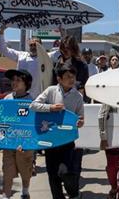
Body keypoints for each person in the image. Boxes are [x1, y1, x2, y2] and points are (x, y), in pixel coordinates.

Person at [30, 63, 85, 199]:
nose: (71, 79)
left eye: (73, 77)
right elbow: (33, 105)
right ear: (59, 79)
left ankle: (74, 194)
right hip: (51, 141)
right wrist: (50, 107)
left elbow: (81, 118)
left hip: (67, 141)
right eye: (68, 77)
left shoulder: (78, 96)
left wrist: (80, 122)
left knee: (67, 172)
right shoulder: (50, 91)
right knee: (53, 175)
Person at [0, 24, 57, 99]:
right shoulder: (21, 56)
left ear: (41, 46)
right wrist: (1, 32)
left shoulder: (46, 57)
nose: (33, 47)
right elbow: (4, 50)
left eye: (35, 45)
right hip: (21, 96)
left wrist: (63, 35)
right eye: (31, 45)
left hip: (39, 98)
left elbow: (61, 52)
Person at [1, 69, 35, 199]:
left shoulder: (31, 101)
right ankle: (6, 195)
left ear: (26, 83)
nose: (14, 83)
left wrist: (26, 142)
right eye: (13, 80)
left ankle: (25, 191)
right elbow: (0, 119)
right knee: (8, 170)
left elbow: (31, 124)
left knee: (25, 168)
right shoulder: (7, 98)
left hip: (25, 144)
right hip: (9, 142)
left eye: (18, 80)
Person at [52, 35, 89, 103]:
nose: (65, 51)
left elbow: (82, 85)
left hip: (75, 99)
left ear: (73, 48)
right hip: (57, 99)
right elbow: (53, 83)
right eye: (63, 48)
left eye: (68, 48)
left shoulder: (81, 65)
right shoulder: (56, 64)